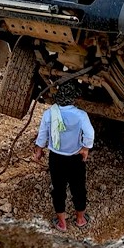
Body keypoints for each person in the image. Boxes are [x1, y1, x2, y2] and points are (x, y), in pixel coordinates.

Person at [32, 81, 95, 232]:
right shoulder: (81, 115)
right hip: (75, 158)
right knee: (78, 188)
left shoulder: (49, 113)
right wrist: (85, 149)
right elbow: (90, 134)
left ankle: (62, 223)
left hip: (56, 158)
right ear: (73, 98)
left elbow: (42, 135)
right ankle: (80, 219)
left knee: (58, 189)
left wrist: (39, 150)